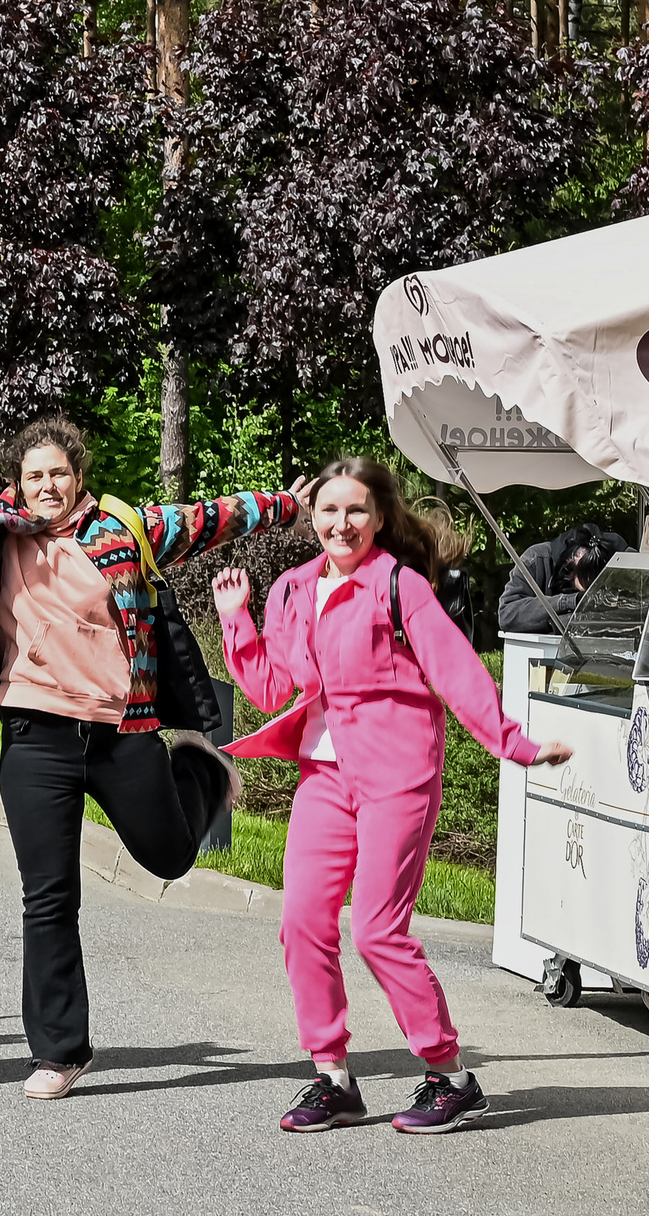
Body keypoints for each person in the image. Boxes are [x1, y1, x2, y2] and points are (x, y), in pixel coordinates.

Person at [0, 308, 300, 1100]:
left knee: (170, 856)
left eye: (58, 474)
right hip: (35, 736)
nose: (46, 487)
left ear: (78, 475)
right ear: (17, 484)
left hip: (124, 734)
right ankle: (59, 1050)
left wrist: (286, 506)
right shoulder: (1, 525)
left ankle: (198, 772)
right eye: (33, 476)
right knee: (49, 895)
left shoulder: (126, 527)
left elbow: (210, 517)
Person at [214, 456, 573, 1135]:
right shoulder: (291, 591)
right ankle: (334, 1079)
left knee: (378, 930)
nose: (341, 522)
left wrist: (515, 744)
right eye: (328, 509)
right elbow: (270, 690)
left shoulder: (398, 585)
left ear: (379, 517)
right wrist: (237, 620)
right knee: (303, 923)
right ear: (311, 516)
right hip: (324, 777)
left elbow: (456, 670)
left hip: (397, 775)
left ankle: (451, 1076)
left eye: (356, 509)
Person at [495, 521, 629, 634]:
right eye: (570, 570)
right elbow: (507, 615)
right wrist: (570, 601)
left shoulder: (616, 557)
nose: (570, 577)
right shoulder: (535, 560)